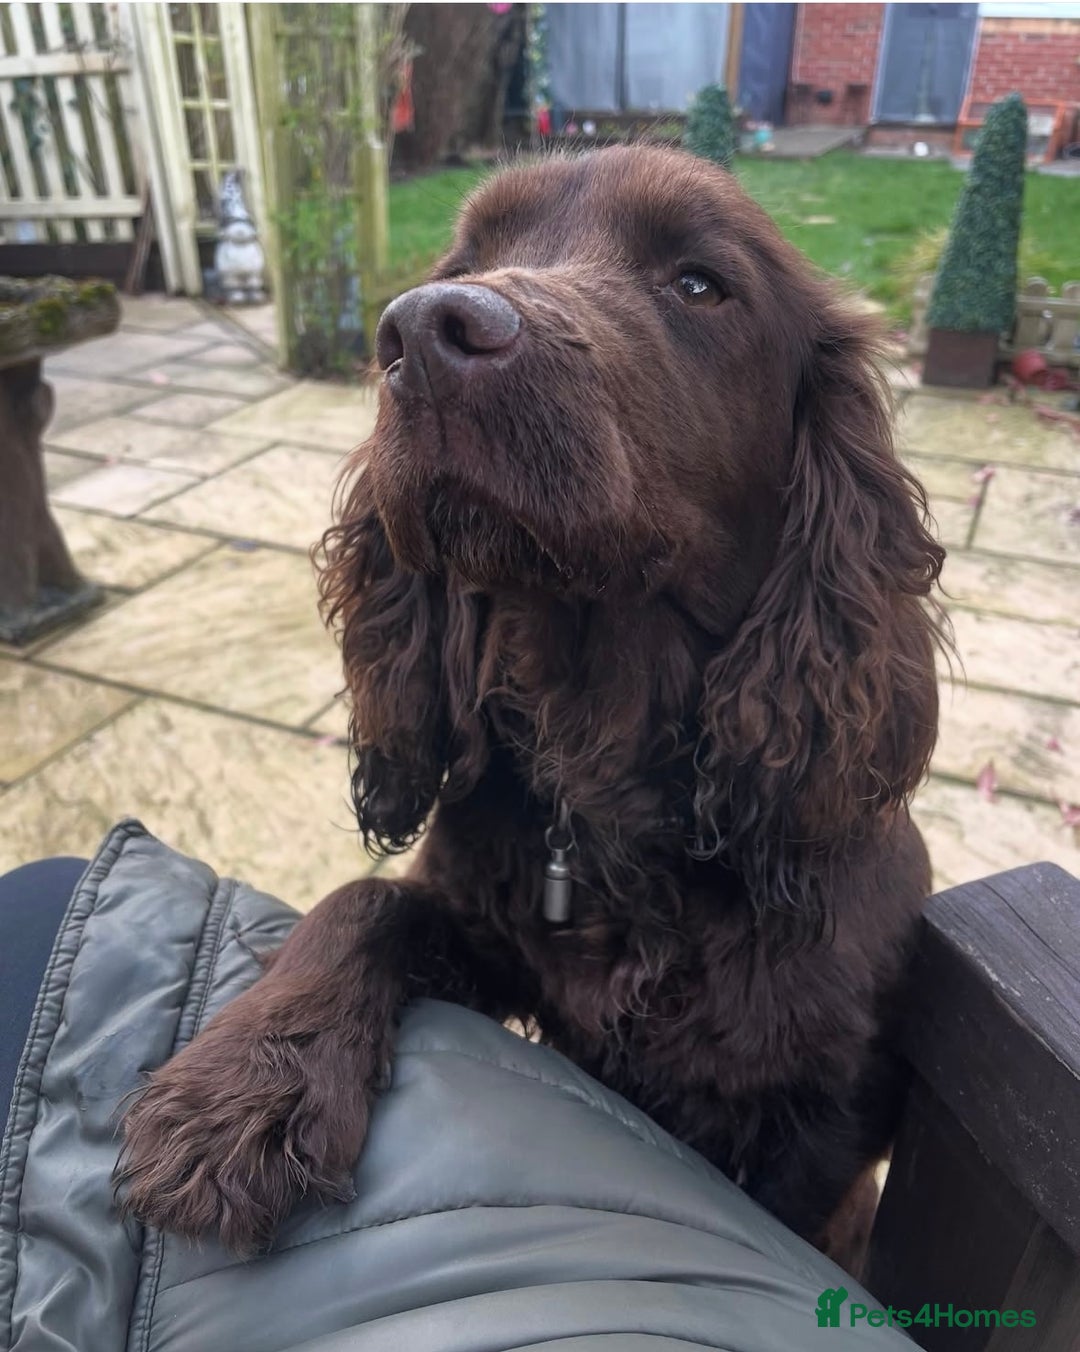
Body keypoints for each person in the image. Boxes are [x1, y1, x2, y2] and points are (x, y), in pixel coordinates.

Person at [0, 820, 906, 1351]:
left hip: (735, 1265)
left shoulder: (829, 902)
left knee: (46, 904)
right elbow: (446, 930)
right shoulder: (509, 793)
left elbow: (846, 1120)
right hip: (525, 1175)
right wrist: (340, 965)